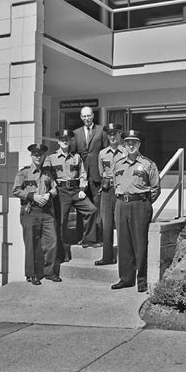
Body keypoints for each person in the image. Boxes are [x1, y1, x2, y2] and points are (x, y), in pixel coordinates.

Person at [111, 130, 161, 293]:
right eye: (127, 143)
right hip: (121, 204)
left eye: (134, 142)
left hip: (140, 204)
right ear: (124, 145)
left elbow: (155, 188)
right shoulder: (117, 163)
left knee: (140, 243)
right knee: (123, 242)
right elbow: (114, 184)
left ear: (139, 144)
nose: (130, 145)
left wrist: (143, 203)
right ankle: (126, 278)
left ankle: (142, 280)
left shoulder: (148, 164)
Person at [45, 129, 100, 262]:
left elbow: (82, 174)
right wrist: (53, 190)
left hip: (75, 190)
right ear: (58, 141)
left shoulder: (76, 157)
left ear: (70, 141)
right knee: (62, 222)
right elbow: (47, 176)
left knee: (91, 210)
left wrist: (82, 188)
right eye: (62, 140)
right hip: (61, 191)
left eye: (67, 140)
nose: (64, 142)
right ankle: (63, 251)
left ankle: (88, 240)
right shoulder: (51, 158)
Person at [12, 143, 61, 286]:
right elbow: (15, 190)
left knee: (52, 240)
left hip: (46, 211)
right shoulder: (24, 172)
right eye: (35, 154)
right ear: (31, 156)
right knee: (31, 243)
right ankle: (32, 274)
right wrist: (32, 196)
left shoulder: (47, 173)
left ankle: (49, 272)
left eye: (40, 154)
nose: (38, 157)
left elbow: (54, 188)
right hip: (30, 211)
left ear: (44, 156)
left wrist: (49, 195)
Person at [71, 106, 108, 245]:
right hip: (82, 176)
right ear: (81, 117)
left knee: (97, 207)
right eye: (84, 116)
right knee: (82, 207)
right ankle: (83, 237)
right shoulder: (76, 133)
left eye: (89, 116)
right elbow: (74, 155)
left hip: (97, 175)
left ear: (93, 115)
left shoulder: (101, 130)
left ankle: (98, 238)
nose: (87, 118)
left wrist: (105, 174)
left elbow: (105, 153)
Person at [94, 123, 126, 266]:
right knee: (106, 224)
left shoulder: (126, 151)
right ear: (107, 136)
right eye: (110, 134)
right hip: (107, 191)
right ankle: (107, 257)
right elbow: (101, 173)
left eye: (115, 134)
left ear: (120, 134)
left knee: (121, 224)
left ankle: (124, 257)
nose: (113, 137)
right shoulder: (102, 153)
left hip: (121, 190)